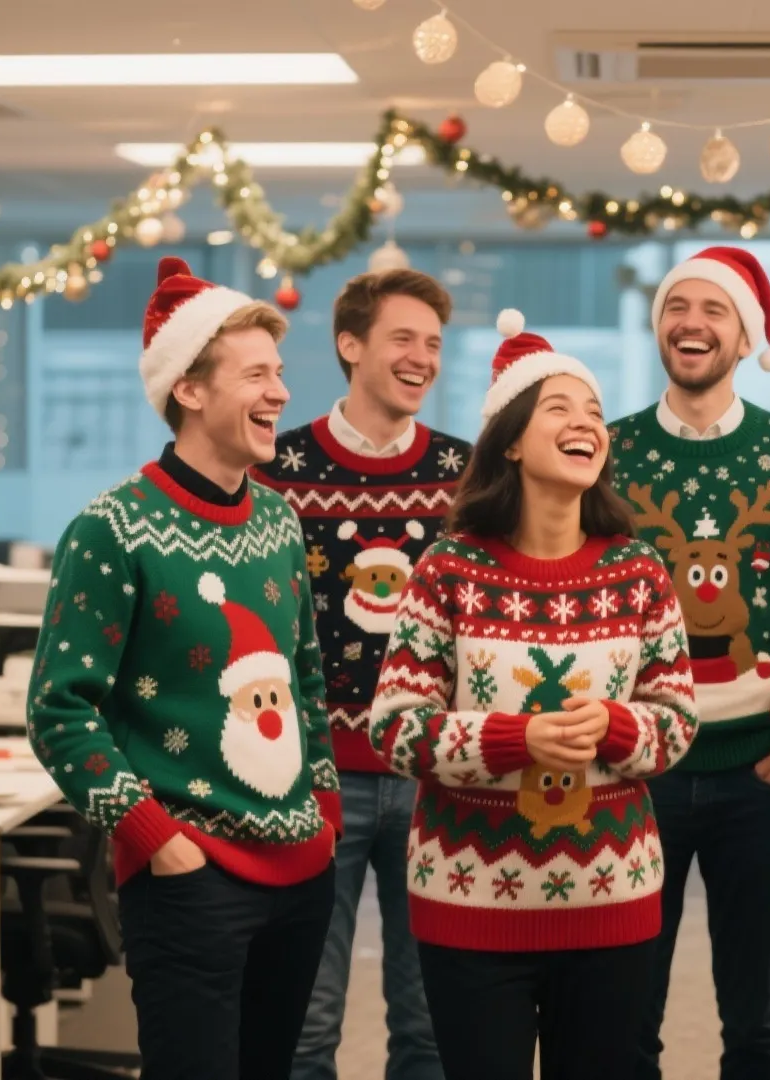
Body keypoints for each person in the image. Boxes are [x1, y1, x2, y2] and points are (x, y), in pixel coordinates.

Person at [26, 257, 339, 1080]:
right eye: (257, 376)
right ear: (190, 391)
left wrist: (328, 807)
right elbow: (61, 710)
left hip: (301, 868)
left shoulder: (277, 519)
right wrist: (154, 840)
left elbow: (305, 679)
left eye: (280, 374)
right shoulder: (112, 530)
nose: (280, 394)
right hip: (189, 875)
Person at [367, 310, 700, 1080]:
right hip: (469, 903)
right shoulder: (448, 571)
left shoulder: (637, 571)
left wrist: (617, 729)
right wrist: (514, 742)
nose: (587, 423)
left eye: (594, 413)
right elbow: (396, 729)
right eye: (560, 408)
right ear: (512, 440)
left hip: (612, 899)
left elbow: (678, 723)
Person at [606, 246, 770, 1080]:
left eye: (714, 312)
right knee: (627, 1005)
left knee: (757, 1017)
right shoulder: (608, 450)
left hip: (760, 773)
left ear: (746, 339)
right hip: (636, 769)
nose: (691, 324)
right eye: (678, 307)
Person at [252, 268, 467, 1080]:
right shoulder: (278, 466)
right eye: (403, 339)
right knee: (305, 1023)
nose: (422, 359)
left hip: (432, 778)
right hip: (314, 781)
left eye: (434, 344)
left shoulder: (466, 472)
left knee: (432, 1025)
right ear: (350, 346)